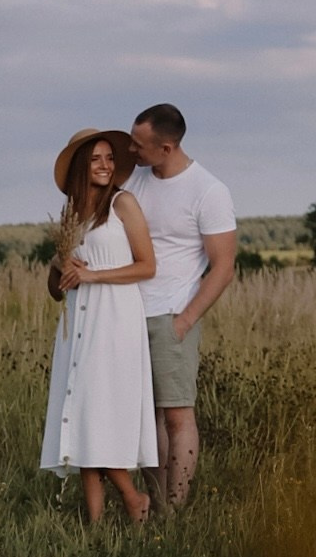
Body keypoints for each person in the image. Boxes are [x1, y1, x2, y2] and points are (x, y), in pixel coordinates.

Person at [40, 125, 158, 526]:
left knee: (100, 414)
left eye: (110, 158)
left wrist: (93, 276)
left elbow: (147, 266)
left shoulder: (123, 204)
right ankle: (95, 530)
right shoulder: (70, 215)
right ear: (80, 166)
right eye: (96, 159)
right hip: (77, 326)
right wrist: (60, 265)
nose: (106, 165)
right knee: (83, 416)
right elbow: (57, 290)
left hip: (115, 321)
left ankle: (131, 497)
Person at [126, 101, 237, 513]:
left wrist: (186, 320)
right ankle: (156, 503)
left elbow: (223, 267)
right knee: (145, 419)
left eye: (139, 145)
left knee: (176, 416)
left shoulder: (208, 190)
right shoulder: (136, 181)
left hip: (170, 315)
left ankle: (175, 508)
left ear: (167, 147)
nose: (132, 152)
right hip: (128, 315)